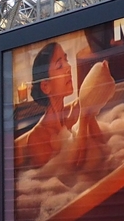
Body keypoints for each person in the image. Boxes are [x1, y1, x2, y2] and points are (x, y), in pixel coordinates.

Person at [14, 41, 114, 172]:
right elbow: (69, 176)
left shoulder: (77, 108)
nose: (68, 67)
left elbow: (105, 149)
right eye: (60, 65)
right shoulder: (37, 139)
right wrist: (83, 119)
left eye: (66, 60)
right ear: (46, 86)